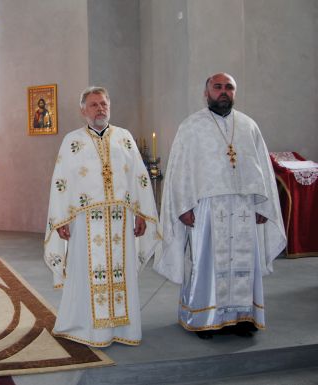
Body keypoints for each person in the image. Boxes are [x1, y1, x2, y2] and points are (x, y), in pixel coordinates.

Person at [154, 73, 286, 339]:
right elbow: (180, 170)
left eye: (229, 87)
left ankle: (243, 318)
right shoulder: (191, 127)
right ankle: (204, 316)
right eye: (218, 87)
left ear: (234, 92)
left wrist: (263, 205)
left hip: (244, 206)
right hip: (207, 208)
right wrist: (182, 207)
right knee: (206, 263)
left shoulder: (249, 126)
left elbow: (263, 170)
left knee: (244, 262)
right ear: (206, 93)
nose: (223, 92)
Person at [44, 86, 160, 347]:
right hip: (84, 222)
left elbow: (138, 178)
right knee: (85, 274)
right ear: (83, 110)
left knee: (122, 273)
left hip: (121, 220)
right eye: (94, 104)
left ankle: (124, 329)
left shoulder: (125, 138)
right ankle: (86, 328)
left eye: (104, 104)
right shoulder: (72, 141)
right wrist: (62, 219)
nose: (100, 109)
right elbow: (61, 181)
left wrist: (141, 213)